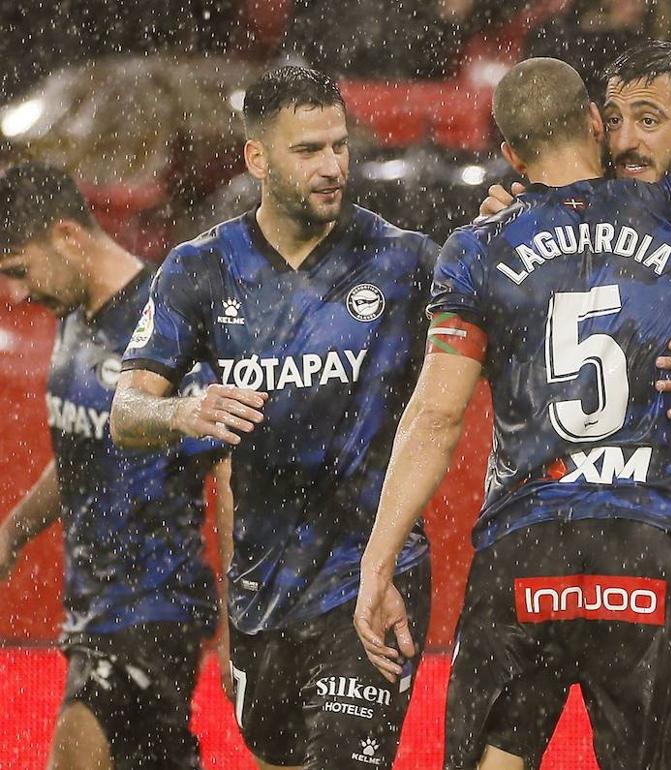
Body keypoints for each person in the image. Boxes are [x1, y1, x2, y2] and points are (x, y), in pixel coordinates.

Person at [354, 55, 671, 770]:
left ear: (510, 154)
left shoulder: (480, 245)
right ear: (595, 122)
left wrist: (377, 566)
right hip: (644, 543)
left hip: (528, 541)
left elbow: (435, 420)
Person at [109, 66, 439, 770]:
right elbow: (125, 412)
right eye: (308, 150)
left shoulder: (403, 260)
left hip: (372, 576)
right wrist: (182, 411)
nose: (332, 167)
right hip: (265, 592)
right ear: (256, 158)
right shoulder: (200, 269)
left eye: (339, 146)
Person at [0, 162, 220, 770]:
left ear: (68, 236)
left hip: (155, 608)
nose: (16, 294)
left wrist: (241, 617)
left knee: (75, 752)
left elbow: (226, 467)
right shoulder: (73, 311)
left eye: (19, 269)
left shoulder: (163, 323)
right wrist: (15, 531)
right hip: (92, 610)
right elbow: (84, 457)